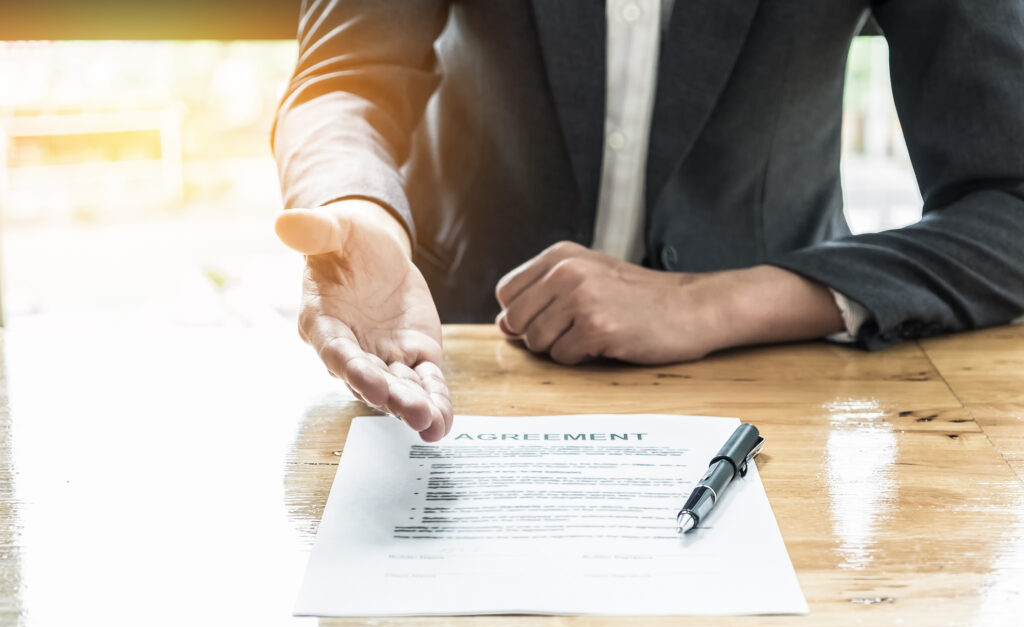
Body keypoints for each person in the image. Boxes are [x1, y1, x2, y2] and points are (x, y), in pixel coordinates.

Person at [272, 1, 1024, 442]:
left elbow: (1010, 201)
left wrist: (713, 301)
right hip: (449, 364)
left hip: (778, 389)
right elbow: (345, 78)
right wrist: (354, 207)